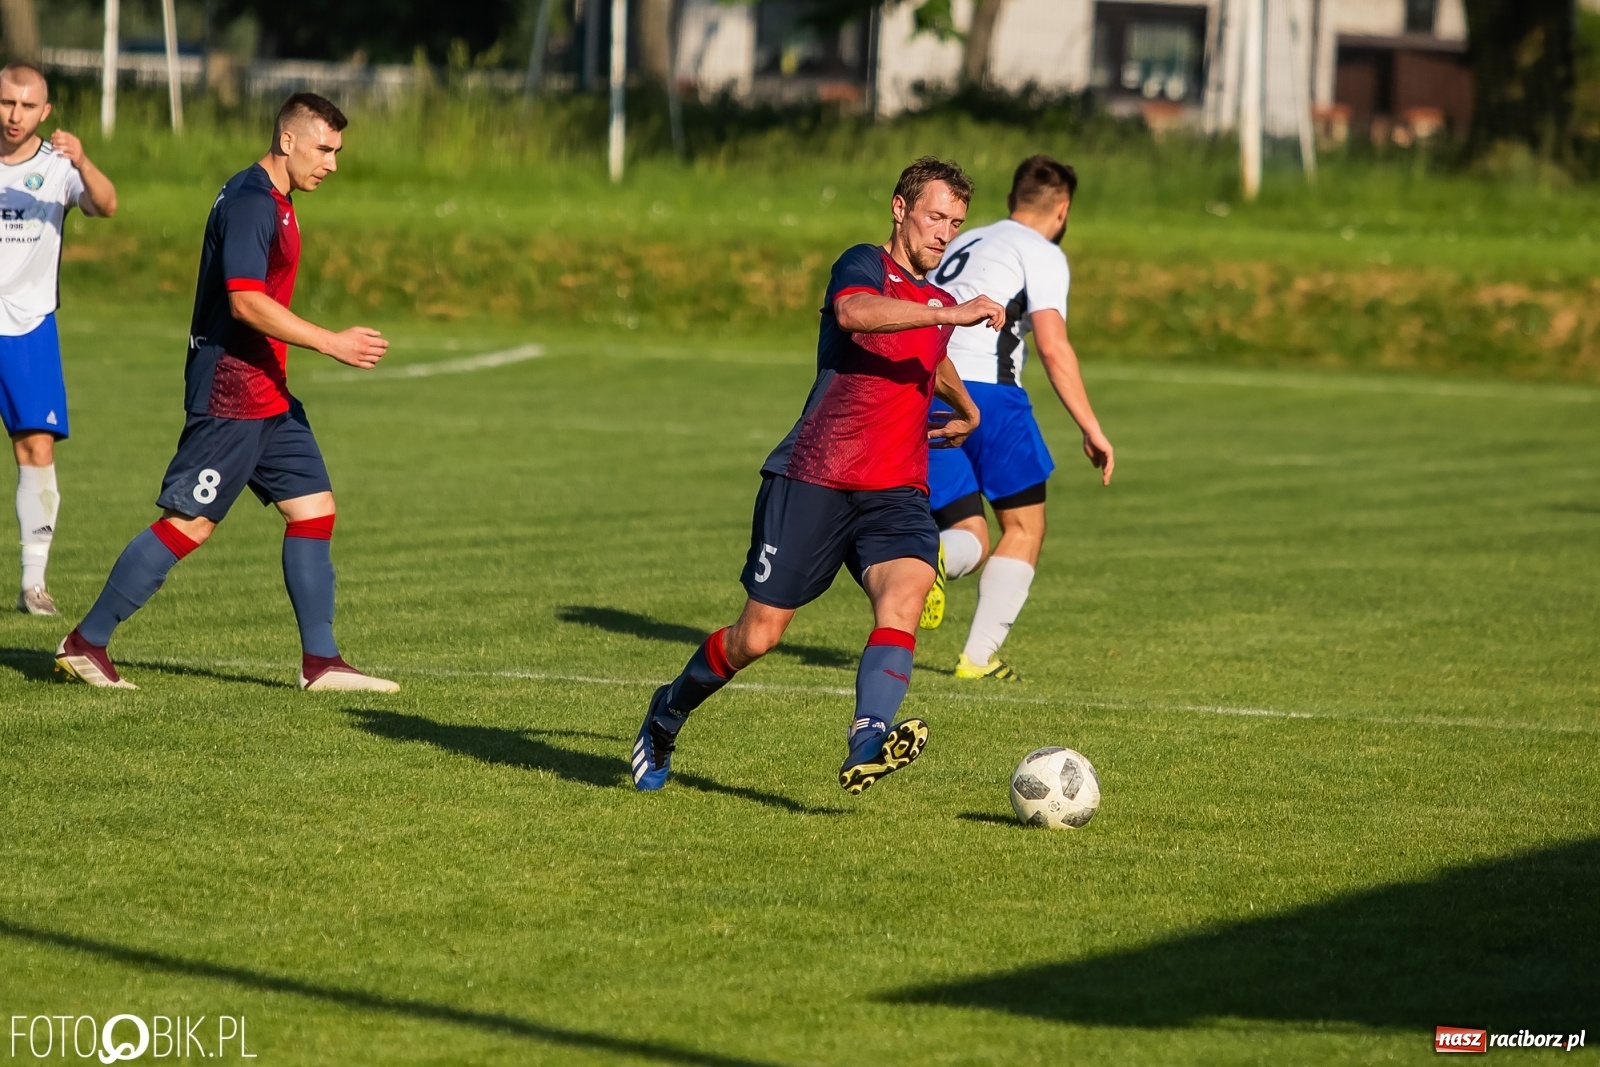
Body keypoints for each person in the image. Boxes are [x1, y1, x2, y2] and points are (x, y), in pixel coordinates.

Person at [631, 157, 1004, 795]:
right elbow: (860, 316)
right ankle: (667, 712)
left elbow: (930, 354)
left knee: (907, 592)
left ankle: (868, 740)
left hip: (897, 485)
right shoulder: (862, 264)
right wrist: (949, 315)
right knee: (758, 636)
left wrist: (965, 405)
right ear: (900, 208)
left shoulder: (937, 302)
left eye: (956, 222)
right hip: (817, 475)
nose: (945, 233)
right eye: (936, 216)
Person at [56, 93, 398, 692]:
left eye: (338, 151)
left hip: (269, 391)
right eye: (324, 149)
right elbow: (243, 301)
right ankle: (86, 641)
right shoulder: (251, 203)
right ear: (287, 140)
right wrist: (329, 342)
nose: (333, 164)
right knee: (190, 523)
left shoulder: (278, 199)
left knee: (314, 509)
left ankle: (321, 663)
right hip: (232, 392)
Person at [918, 155, 1114, 680]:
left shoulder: (961, 241)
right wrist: (1091, 427)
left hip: (930, 386)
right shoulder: (1042, 252)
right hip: (993, 396)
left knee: (970, 535)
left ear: (1010, 201)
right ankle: (976, 659)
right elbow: (1052, 346)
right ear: (1063, 210)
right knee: (1024, 526)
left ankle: (931, 553)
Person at [0, 63, 117, 616]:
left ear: (45, 112)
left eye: (26, 106)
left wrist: (84, 159)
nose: (14, 115)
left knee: (36, 450)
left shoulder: (57, 166)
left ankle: (32, 585)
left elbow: (106, 204)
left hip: (28, 327)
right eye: (6, 103)